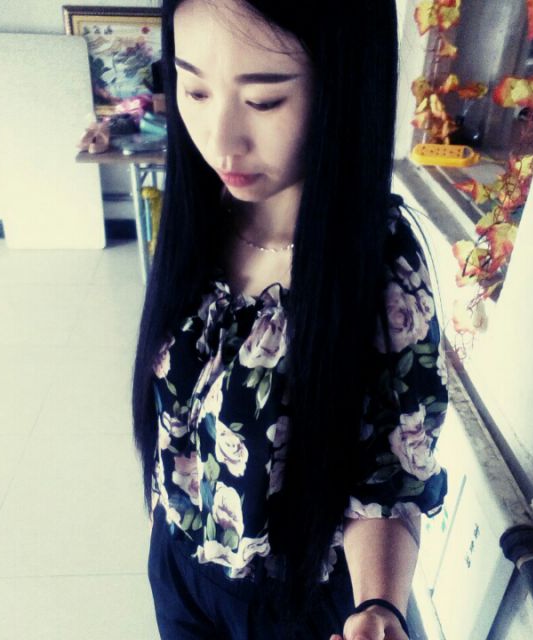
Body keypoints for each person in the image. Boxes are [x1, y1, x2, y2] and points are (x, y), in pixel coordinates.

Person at [132, 1, 449, 638]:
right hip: (178, 565)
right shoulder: (200, 221)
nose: (220, 140)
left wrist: (380, 606)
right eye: (194, 90)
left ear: (344, 86)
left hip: (292, 603)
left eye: (264, 100)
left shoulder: (381, 273)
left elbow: (386, 478)